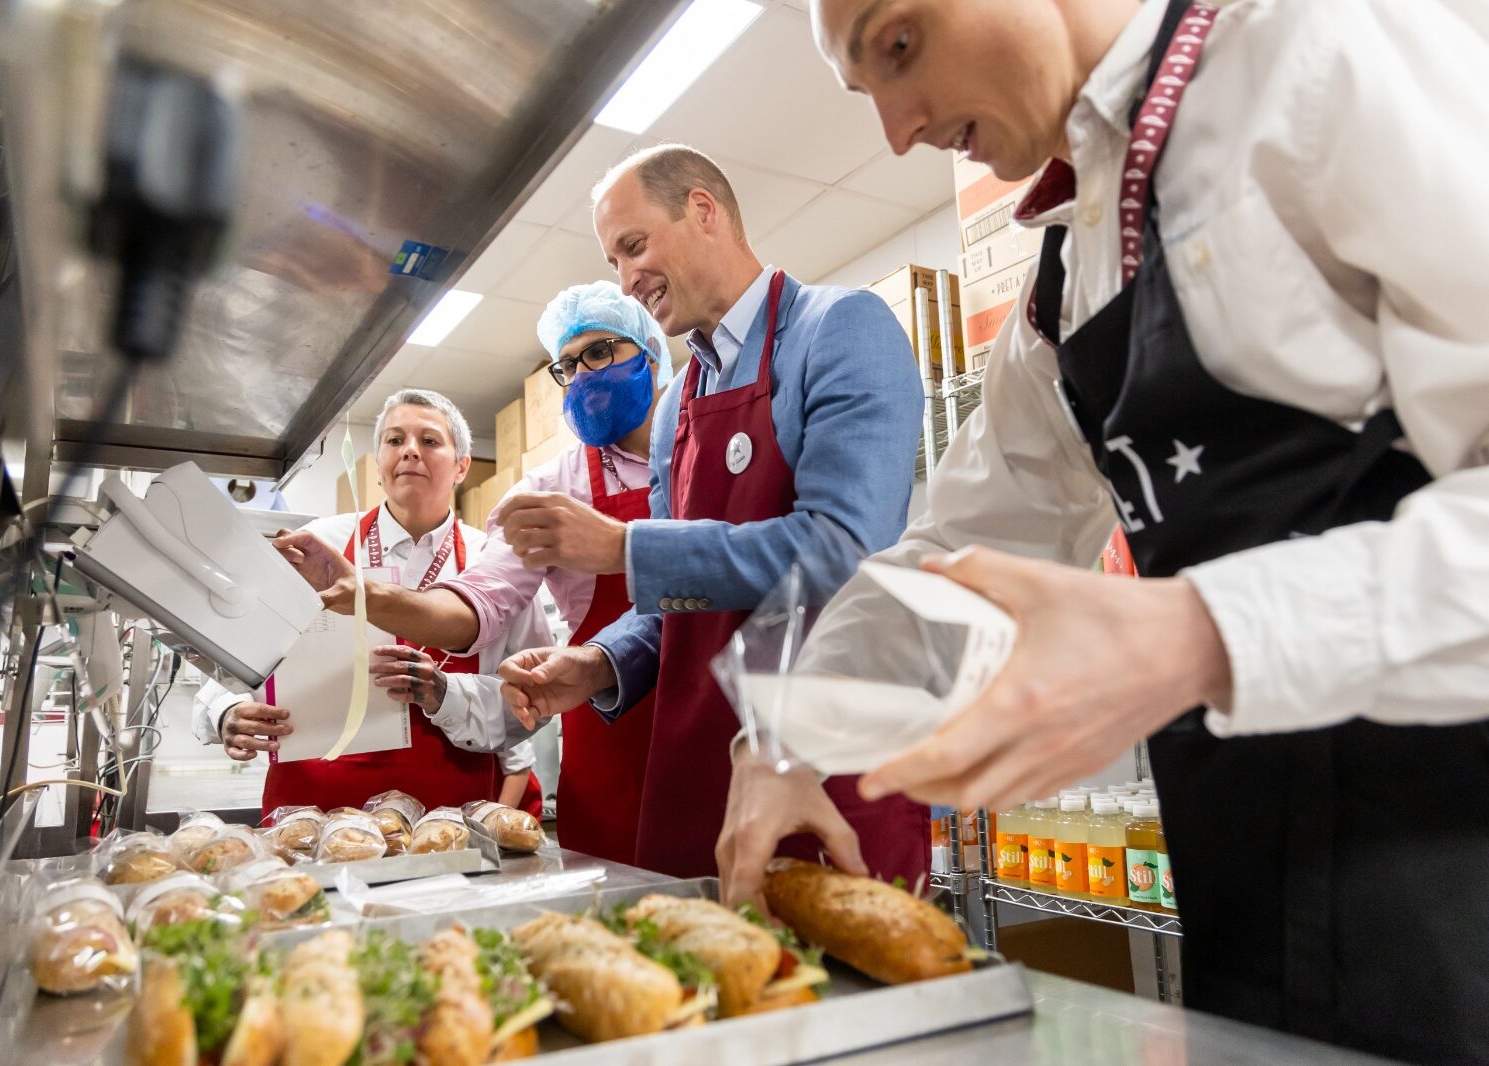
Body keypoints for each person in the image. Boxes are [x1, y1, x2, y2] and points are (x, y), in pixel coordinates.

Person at [715, 0, 1489, 1060]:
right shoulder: (1062, 279)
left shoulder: (1323, 49)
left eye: (899, 46)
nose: (897, 130)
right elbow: (951, 558)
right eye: (866, 93)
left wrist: (1199, 634)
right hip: (1257, 896)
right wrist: (786, 728)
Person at [495, 144, 930, 886]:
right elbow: (672, 610)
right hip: (702, 769)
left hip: (824, 763)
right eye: (614, 262)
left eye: (635, 247)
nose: (629, 281)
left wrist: (629, 547)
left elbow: (842, 547)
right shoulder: (675, 412)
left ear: (703, 211)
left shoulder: (839, 328)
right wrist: (598, 663)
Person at [266, 282, 674, 866]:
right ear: (376, 463)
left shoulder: (706, 446)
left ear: (651, 355)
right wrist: (365, 596)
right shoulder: (549, 488)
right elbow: (479, 610)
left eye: (600, 353)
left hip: (723, 708)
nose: (583, 374)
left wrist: (440, 688)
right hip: (615, 727)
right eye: (568, 364)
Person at [193, 388, 551, 814]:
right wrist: (226, 712)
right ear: (379, 464)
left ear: (461, 467)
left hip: (448, 818)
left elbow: (532, 700)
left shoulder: (494, 564)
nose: (410, 452)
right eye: (395, 440)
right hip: (308, 813)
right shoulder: (317, 544)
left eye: (430, 441)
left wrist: (445, 693)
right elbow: (227, 662)